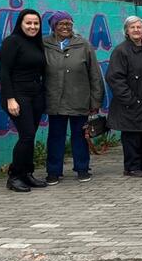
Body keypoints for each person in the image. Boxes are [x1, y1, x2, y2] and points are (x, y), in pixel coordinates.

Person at [42, 11, 103, 184]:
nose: (65, 27)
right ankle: (53, 171)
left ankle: (82, 168)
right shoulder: (45, 44)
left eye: (68, 23)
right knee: (55, 137)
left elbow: (95, 74)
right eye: (61, 24)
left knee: (80, 135)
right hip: (55, 99)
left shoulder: (83, 44)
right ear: (54, 26)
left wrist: (95, 101)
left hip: (80, 99)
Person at [0, 8, 47, 192]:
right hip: (18, 96)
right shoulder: (12, 42)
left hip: (35, 95)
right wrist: (10, 99)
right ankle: (14, 176)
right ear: (20, 24)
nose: (32, 26)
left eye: (36, 23)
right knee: (26, 135)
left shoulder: (36, 43)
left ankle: (27, 174)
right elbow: (4, 72)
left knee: (30, 136)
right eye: (28, 23)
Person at [106, 16, 142, 178]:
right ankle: (131, 166)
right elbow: (114, 77)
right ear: (126, 31)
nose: (136, 30)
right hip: (129, 101)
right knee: (131, 135)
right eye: (132, 27)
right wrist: (129, 98)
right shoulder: (121, 51)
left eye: (139, 27)